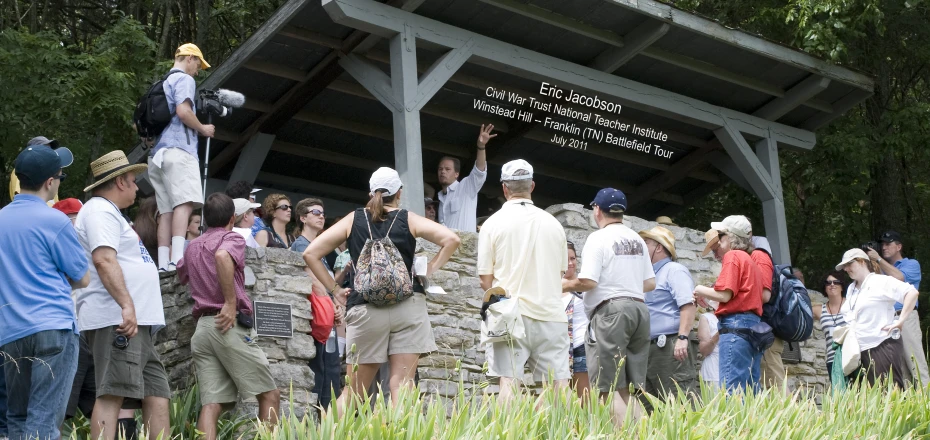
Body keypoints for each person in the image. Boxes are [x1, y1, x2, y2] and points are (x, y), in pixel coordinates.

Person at [303, 167, 460, 416]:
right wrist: (429, 268)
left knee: (354, 391)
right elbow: (452, 239)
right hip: (407, 305)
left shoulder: (354, 219)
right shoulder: (408, 218)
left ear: (371, 193)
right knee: (403, 385)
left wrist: (334, 289)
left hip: (365, 308)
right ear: (400, 192)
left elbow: (310, 253)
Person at [74, 151, 170, 440]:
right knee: (112, 393)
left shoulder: (110, 213)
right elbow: (103, 259)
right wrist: (127, 306)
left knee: (157, 392)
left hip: (134, 321)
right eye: (133, 181)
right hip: (118, 319)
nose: (137, 188)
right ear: (119, 182)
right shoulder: (99, 211)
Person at [0, 141, 88, 440]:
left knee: (17, 417)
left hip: (10, 332)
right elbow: (82, 277)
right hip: (53, 328)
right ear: (50, 183)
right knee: (44, 420)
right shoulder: (55, 220)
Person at [178, 193, 280, 439]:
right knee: (269, 395)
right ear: (232, 217)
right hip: (227, 325)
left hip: (203, 329)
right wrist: (231, 303)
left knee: (212, 404)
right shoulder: (231, 237)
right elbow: (222, 256)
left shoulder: (193, 246)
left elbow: (182, 273)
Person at [478, 160, 570, 401]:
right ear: (532, 186)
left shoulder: (492, 224)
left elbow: (485, 279)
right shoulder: (555, 224)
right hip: (551, 313)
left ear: (504, 188)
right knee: (558, 384)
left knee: (508, 381)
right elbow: (561, 273)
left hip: (510, 313)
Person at [562, 188, 654, 427]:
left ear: (597, 210)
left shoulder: (598, 238)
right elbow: (650, 283)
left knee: (607, 389)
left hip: (611, 313)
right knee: (630, 390)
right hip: (639, 311)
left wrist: (562, 285)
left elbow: (589, 281)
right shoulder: (637, 240)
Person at [147, 43, 215, 271]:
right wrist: (203, 129)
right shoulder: (184, 80)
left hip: (157, 155)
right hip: (179, 151)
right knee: (184, 204)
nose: (197, 70)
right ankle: (178, 260)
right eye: (198, 63)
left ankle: (163, 262)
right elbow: (184, 112)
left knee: (166, 210)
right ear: (188, 58)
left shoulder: (162, 83)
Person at [695, 216, 766, 393]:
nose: (716, 250)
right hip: (752, 327)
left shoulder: (733, 256)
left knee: (731, 389)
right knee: (750, 389)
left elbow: (725, 295)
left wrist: (699, 289)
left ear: (729, 237)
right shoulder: (749, 260)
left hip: (735, 327)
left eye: (719, 239)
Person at [836, 248, 919, 388]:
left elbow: (911, 293)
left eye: (849, 264)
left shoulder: (880, 281)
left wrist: (900, 321)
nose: (846, 269)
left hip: (882, 345)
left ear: (862, 262)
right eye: (844, 266)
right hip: (859, 351)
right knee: (867, 401)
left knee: (891, 394)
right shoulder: (851, 288)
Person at [638, 226, 697, 407]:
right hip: (649, 348)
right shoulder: (648, 275)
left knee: (680, 403)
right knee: (649, 404)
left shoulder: (674, 270)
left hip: (671, 345)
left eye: (646, 243)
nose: (641, 247)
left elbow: (688, 304)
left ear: (659, 247)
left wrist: (682, 338)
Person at [867, 231, 928, 385]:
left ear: (899, 246)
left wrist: (878, 259)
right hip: (887, 319)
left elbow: (900, 278)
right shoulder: (879, 268)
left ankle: (926, 399)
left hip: (905, 317)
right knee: (898, 364)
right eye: (882, 245)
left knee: (915, 361)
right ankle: (909, 402)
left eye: (888, 244)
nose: (884, 247)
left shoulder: (911, 264)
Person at [437, 124, 495, 232]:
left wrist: (481, 146)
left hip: (465, 247)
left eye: (447, 169)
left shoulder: (466, 186)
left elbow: (479, 171)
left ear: (456, 174)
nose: (443, 171)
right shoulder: (440, 197)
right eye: (440, 169)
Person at [562, 241, 589, 398]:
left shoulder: (582, 285)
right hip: (558, 351)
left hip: (580, 347)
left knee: (584, 399)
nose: (571, 263)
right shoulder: (549, 287)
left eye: (573, 258)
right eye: (566, 259)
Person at [811, 271, 849, 386]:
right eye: (828, 283)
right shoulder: (818, 309)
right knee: (839, 395)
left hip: (851, 355)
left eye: (836, 282)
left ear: (842, 285)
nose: (832, 285)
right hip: (832, 359)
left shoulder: (851, 304)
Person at [697, 301, 721, 389]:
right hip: (714, 372)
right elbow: (704, 351)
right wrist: (719, 333)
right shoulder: (707, 318)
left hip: (737, 370)